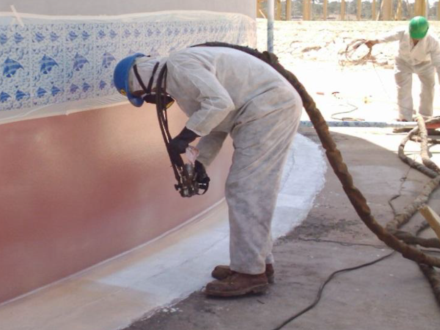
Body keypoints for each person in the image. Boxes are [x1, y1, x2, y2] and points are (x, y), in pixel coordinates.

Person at [113, 45, 302, 297]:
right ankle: (256, 264)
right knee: (252, 190)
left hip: (269, 109)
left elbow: (220, 104)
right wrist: (201, 162)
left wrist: (185, 136)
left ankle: (250, 274)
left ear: (138, 80)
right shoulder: (179, 79)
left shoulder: (179, 65)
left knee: (247, 189)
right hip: (265, 109)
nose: (151, 99)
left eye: (142, 95)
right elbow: (216, 124)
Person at [365, 16, 440, 121]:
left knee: (428, 89)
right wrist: (374, 41)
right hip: (403, 62)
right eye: (414, 36)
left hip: (425, 64)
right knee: (403, 90)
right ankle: (405, 118)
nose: (415, 39)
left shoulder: (433, 41)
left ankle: (425, 118)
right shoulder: (402, 32)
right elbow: (388, 37)